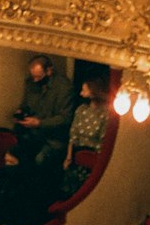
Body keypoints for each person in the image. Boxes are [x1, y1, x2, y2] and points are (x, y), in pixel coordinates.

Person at [14, 54, 76, 182]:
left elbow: (65, 118)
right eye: (33, 77)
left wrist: (39, 123)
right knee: (16, 155)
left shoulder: (64, 87)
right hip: (33, 134)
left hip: (54, 139)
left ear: (49, 71)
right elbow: (26, 103)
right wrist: (21, 112)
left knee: (40, 160)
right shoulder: (31, 83)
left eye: (39, 77)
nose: (35, 80)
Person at [62, 75, 110, 197]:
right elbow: (73, 135)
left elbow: (102, 142)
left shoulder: (105, 114)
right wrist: (68, 158)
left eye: (84, 90)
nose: (81, 93)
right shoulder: (81, 110)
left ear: (93, 92)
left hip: (93, 159)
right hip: (77, 157)